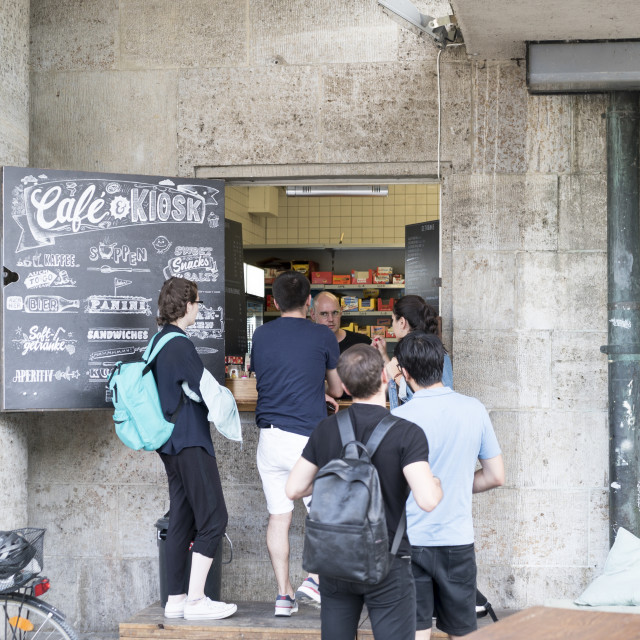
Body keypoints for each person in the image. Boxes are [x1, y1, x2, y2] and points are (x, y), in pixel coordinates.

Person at [285, 344, 443, 640]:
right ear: (385, 376)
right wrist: (436, 484)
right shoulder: (407, 433)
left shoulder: (326, 429)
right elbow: (428, 500)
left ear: (343, 386)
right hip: (389, 561)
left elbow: (293, 488)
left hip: (336, 562)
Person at [391, 332, 504, 639]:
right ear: (441, 365)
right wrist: (456, 484)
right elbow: (495, 475)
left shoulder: (398, 418)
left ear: (406, 373)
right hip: (457, 539)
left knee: (415, 631)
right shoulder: (474, 409)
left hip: (410, 541)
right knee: (463, 631)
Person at [251, 270, 343, 616]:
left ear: (274, 302)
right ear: (309, 302)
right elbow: (336, 390)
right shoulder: (323, 336)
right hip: (305, 439)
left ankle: (283, 596)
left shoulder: (261, 335)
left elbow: (273, 378)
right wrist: (320, 392)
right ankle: (314, 578)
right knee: (324, 513)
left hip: (269, 440)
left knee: (279, 517)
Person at [151, 277, 237, 621]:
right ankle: (198, 600)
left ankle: (175, 599)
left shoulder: (158, 341)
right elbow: (204, 390)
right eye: (198, 302)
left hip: (169, 442)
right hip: (189, 439)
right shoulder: (180, 344)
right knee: (215, 518)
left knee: (182, 518)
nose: (199, 307)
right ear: (185, 305)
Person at [372, 295, 453, 409]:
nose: (392, 325)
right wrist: (383, 355)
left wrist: (398, 377)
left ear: (402, 322)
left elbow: (437, 403)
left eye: (393, 320)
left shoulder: (437, 355)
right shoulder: (410, 352)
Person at [310, 291, 371, 399]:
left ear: (341, 312)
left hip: (356, 411)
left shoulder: (362, 343)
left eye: (335, 313)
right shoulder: (307, 347)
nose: (330, 319)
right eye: (324, 314)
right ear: (313, 315)